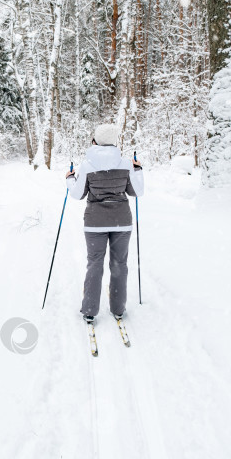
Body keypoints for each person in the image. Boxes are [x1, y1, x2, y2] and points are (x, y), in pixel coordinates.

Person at [64, 124, 144, 323]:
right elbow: (137, 192)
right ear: (114, 142)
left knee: (95, 264)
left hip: (95, 224)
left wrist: (69, 179)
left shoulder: (87, 165)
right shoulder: (125, 164)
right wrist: (138, 169)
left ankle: (90, 310)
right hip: (121, 223)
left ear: (95, 141)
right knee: (119, 264)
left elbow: (77, 194)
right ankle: (118, 308)